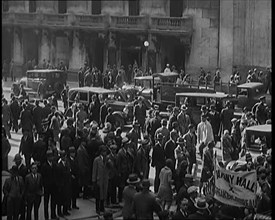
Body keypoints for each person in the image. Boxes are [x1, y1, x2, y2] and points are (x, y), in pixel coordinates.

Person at [40, 150, 59, 220]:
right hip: (47, 187)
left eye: (52, 156)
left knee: (53, 202)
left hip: (54, 187)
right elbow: (43, 177)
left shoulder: (54, 165)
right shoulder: (44, 166)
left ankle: (53, 215)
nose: (51, 158)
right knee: (46, 202)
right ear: (47, 158)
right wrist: (43, 186)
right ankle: (46, 216)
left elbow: (56, 175)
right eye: (50, 157)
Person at [92, 145, 110, 214]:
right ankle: (97, 208)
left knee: (104, 194)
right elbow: (94, 171)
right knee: (98, 195)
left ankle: (102, 208)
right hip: (99, 180)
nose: (105, 153)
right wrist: (94, 181)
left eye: (105, 151)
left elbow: (110, 168)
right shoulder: (97, 160)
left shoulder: (107, 159)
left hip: (105, 180)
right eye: (103, 151)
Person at [56, 151, 71, 217]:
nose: (64, 158)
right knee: (60, 199)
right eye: (63, 156)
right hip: (61, 184)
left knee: (66, 198)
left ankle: (65, 210)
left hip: (67, 183)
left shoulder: (67, 163)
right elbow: (58, 176)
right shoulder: (59, 165)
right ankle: (59, 212)